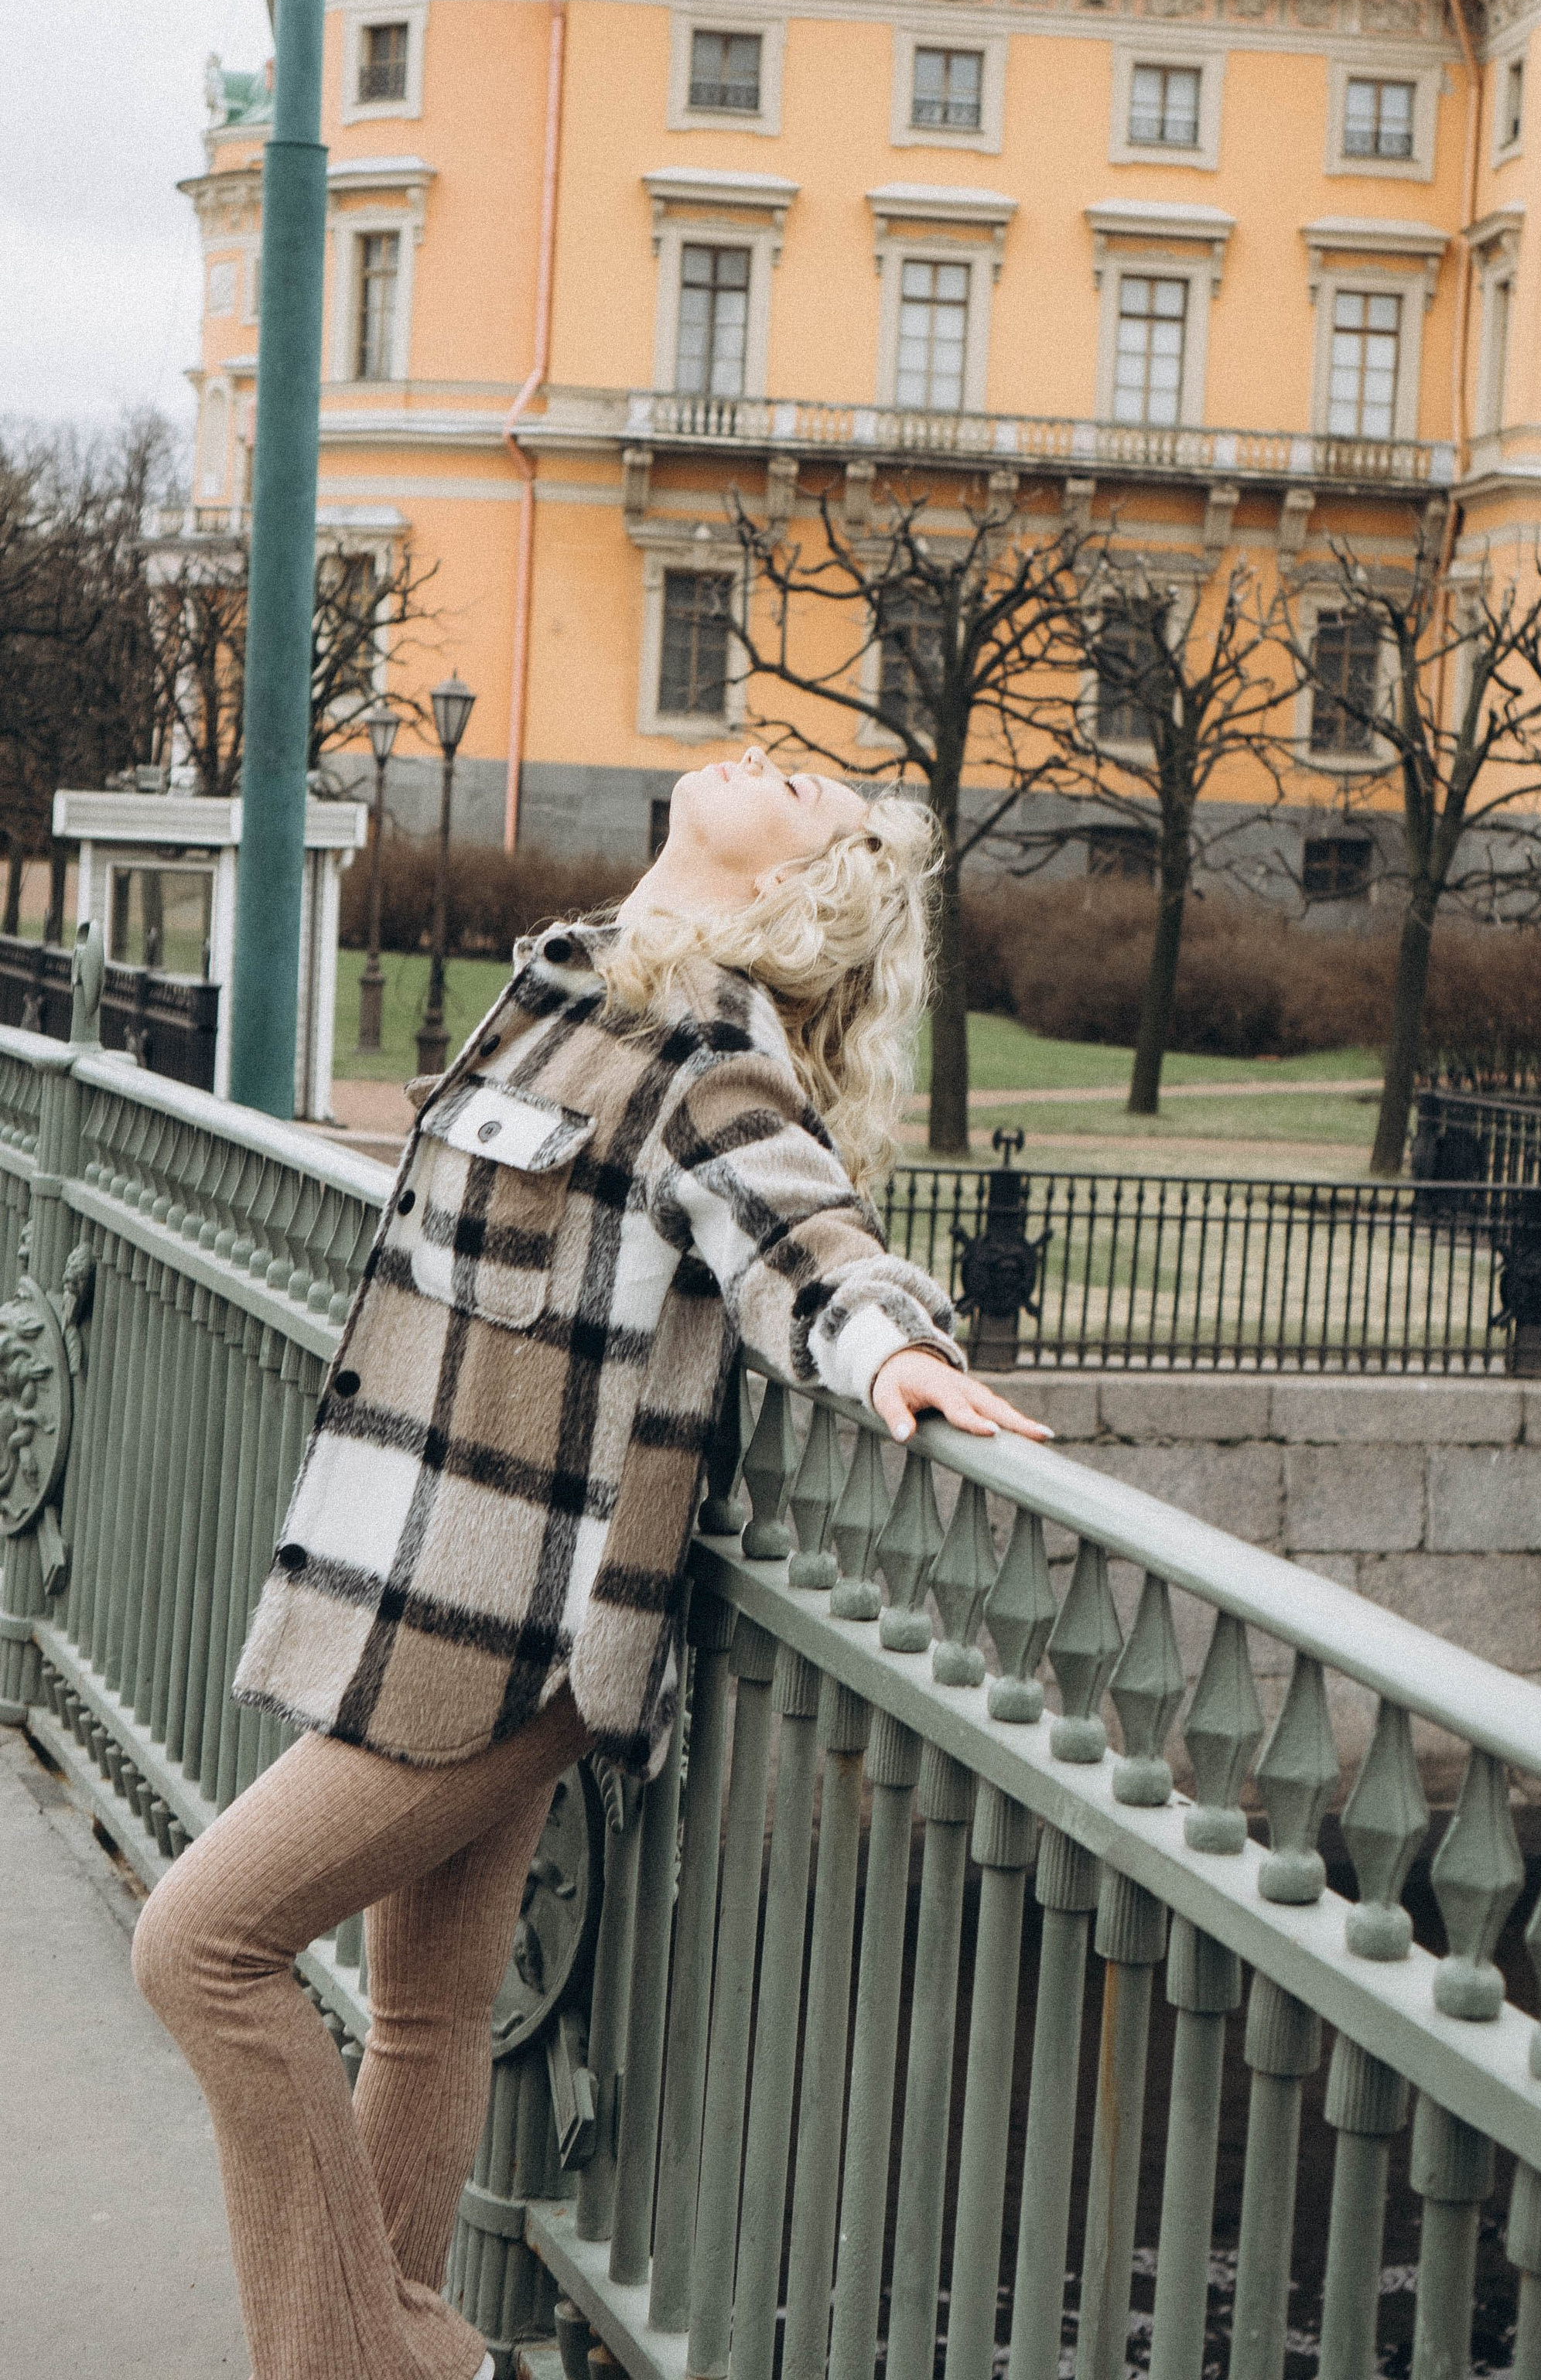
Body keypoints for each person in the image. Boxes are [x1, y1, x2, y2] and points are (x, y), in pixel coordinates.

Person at [132, 747, 1050, 2380]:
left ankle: (378, 2364)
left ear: (801, 884)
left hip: (516, 1630)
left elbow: (805, 1248)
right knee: (421, 2013)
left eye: (819, 788)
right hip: (405, 1578)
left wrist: (894, 1348)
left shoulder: (708, 1052)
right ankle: (403, 2342)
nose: (783, 748)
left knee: (201, 1947)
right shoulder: (564, 987)